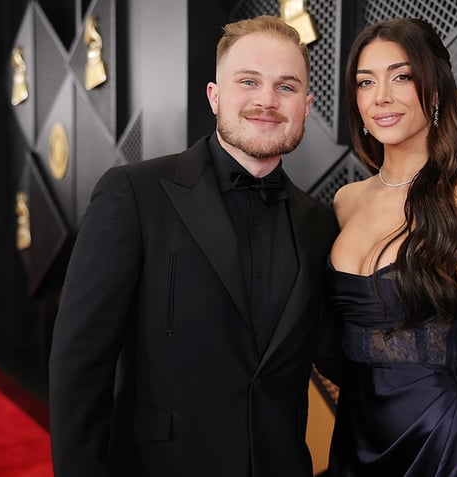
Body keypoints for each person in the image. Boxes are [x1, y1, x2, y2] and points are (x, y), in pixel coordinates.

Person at [48, 15, 339, 477]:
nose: (267, 100)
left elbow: (334, 354)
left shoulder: (320, 224)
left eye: (286, 87)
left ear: (307, 105)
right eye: (249, 81)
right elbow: (79, 365)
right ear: (215, 95)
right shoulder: (134, 193)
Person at [320, 18, 457, 476]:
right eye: (365, 82)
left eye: (401, 77)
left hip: (436, 438)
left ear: (436, 89)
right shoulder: (345, 202)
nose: (381, 96)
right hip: (354, 432)